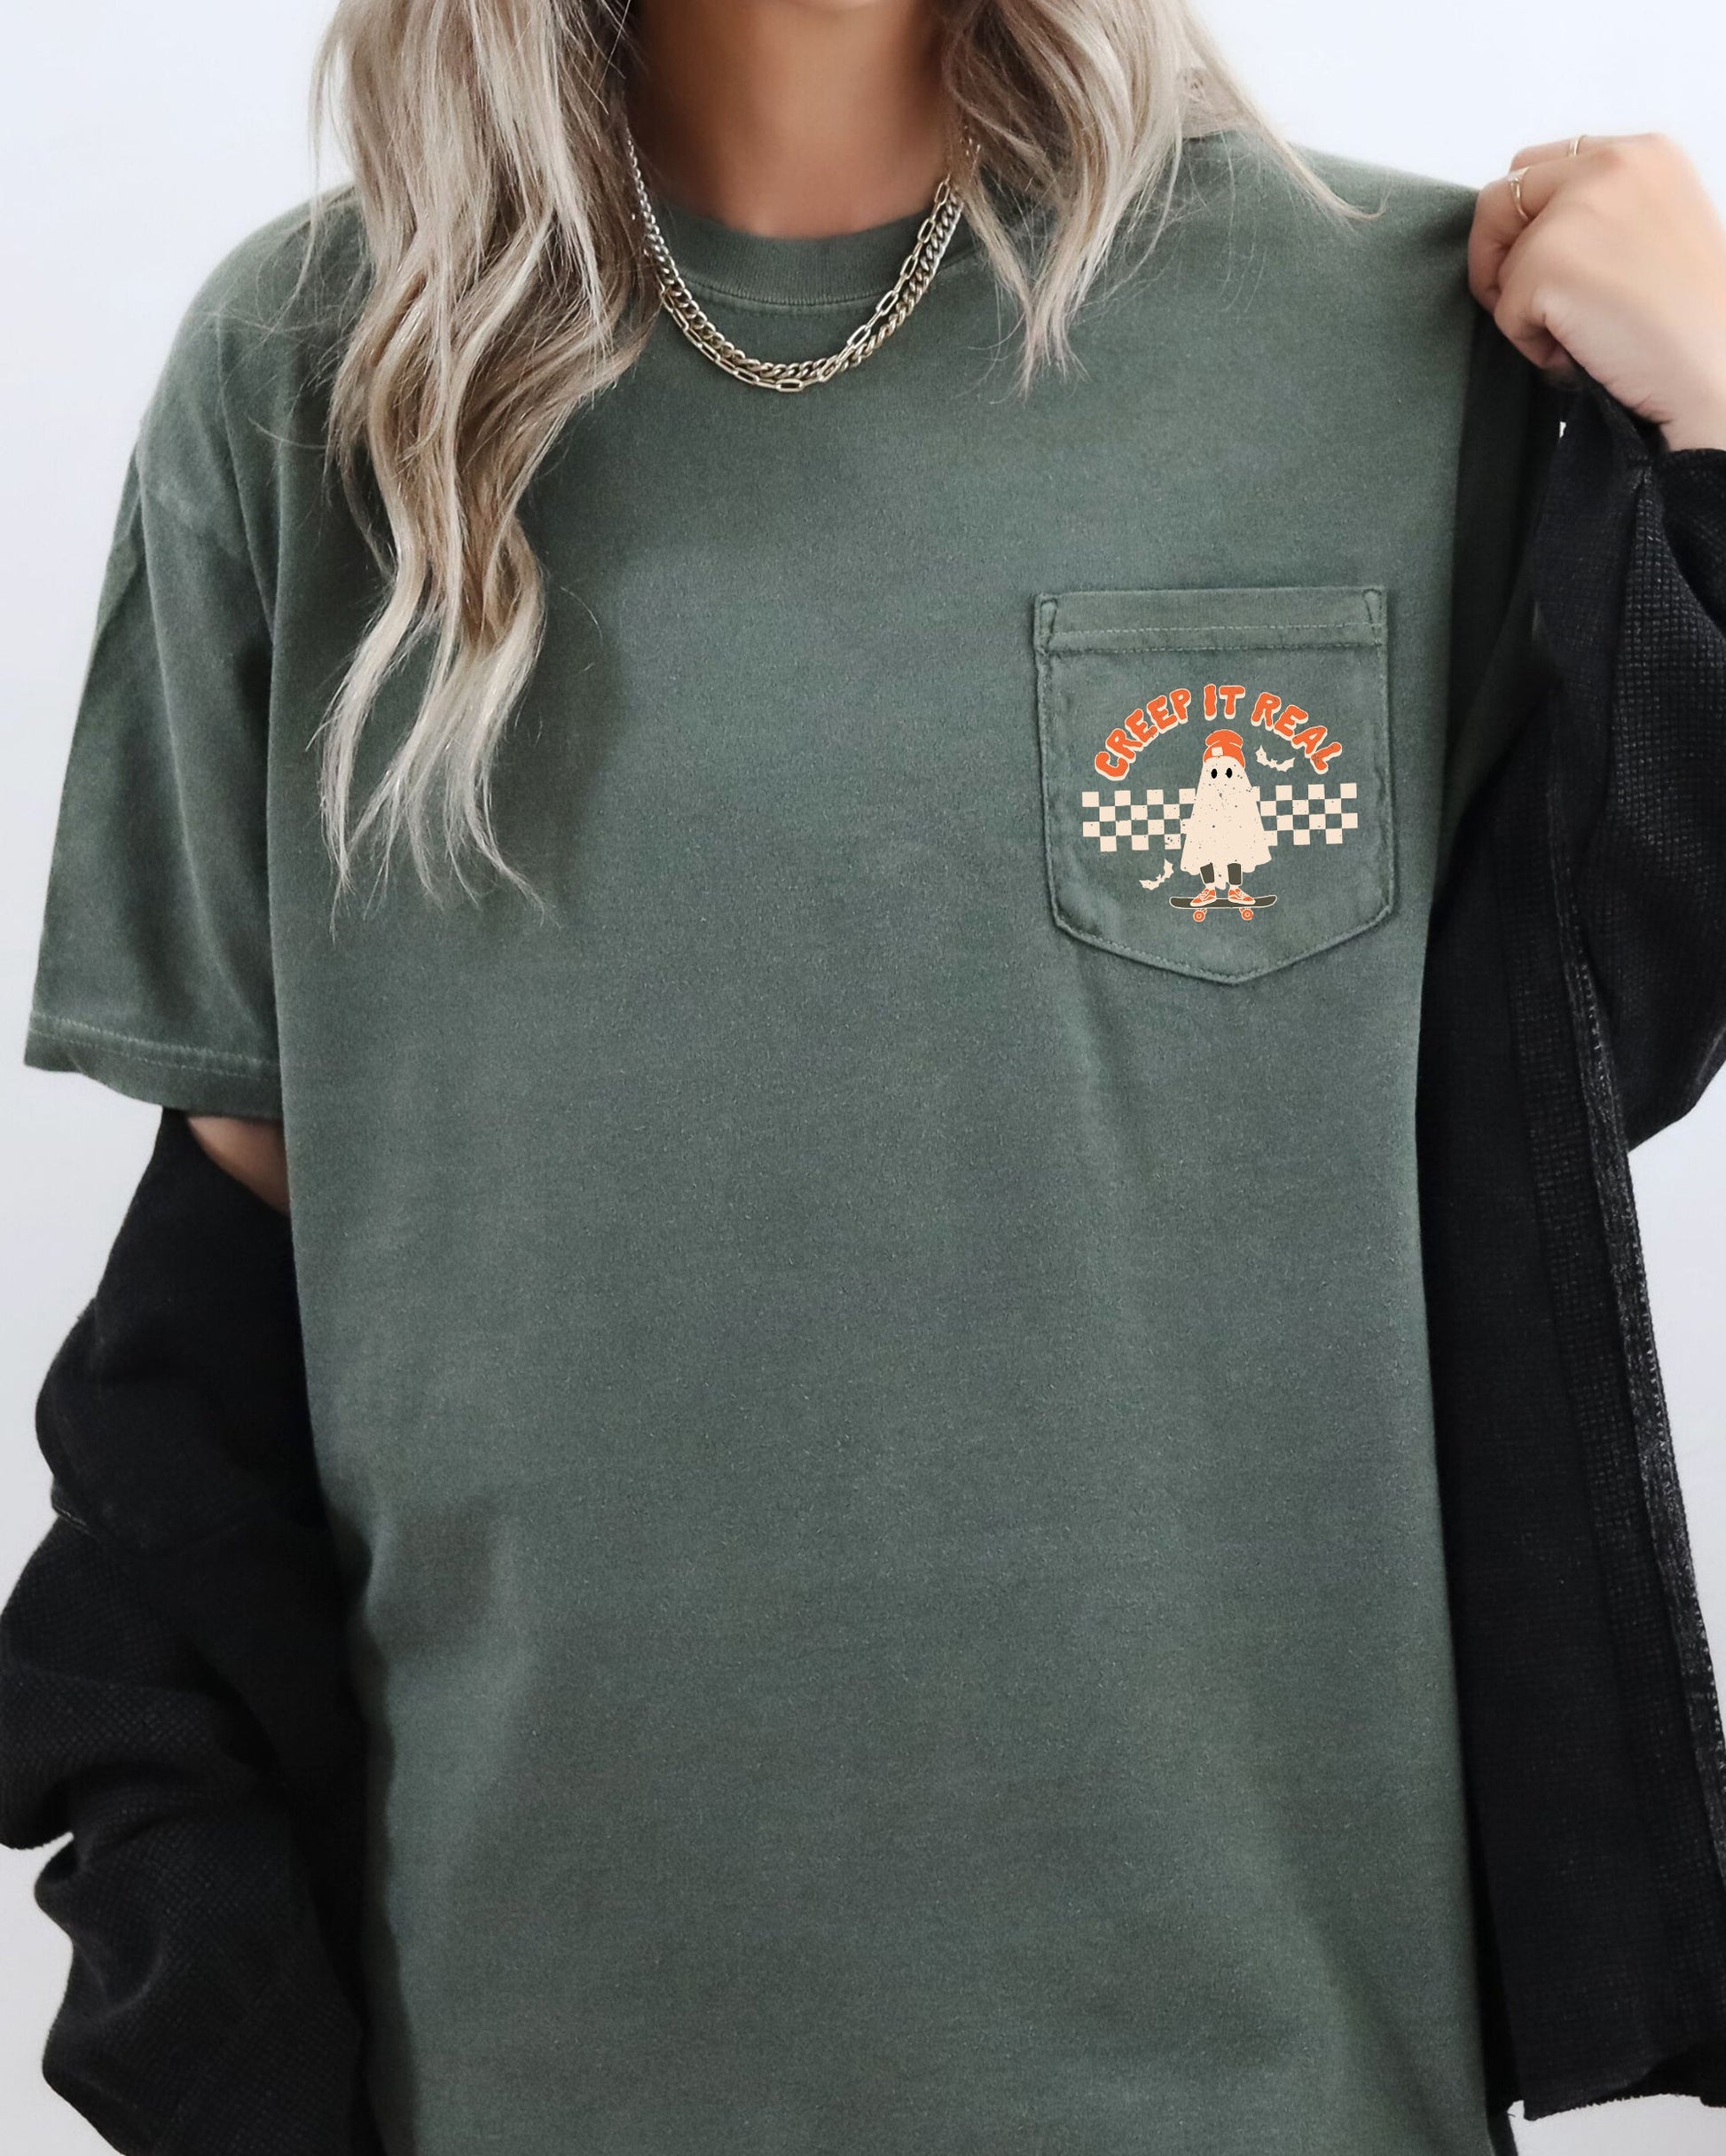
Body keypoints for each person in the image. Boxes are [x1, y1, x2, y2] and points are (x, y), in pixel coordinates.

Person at [8, 2, 1726, 2152]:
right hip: (541, 2082)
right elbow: (202, 1387)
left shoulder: (1399, 351)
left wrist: (1724, 447)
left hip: (1279, 2085)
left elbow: (1611, 1052)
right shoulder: (311, 379)